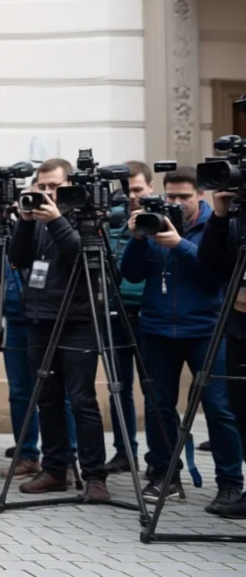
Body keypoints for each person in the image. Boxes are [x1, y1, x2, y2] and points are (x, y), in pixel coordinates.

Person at [122, 167, 243, 510]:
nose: (176, 202)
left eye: (184, 196)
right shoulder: (154, 220)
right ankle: (165, 475)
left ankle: (230, 484)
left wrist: (179, 245)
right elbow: (130, 274)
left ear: (200, 195)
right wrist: (137, 238)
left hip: (208, 329)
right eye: (171, 195)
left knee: (220, 409)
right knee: (159, 407)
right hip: (157, 329)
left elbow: (215, 276)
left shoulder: (217, 224)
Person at [9, 159, 108, 500]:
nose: (48, 193)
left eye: (55, 186)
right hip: (41, 319)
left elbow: (83, 259)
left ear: (70, 186)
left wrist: (56, 221)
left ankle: (95, 476)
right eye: (42, 186)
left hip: (78, 322)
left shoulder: (87, 217)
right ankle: (54, 470)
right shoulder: (37, 221)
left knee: (81, 400)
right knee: (47, 399)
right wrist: (25, 223)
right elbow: (19, 260)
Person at [197, 184, 246, 520]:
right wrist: (219, 215)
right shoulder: (233, 218)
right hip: (239, 326)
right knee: (241, 410)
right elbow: (210, 265)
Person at [105, 160, 152, 473]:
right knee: (117, 388)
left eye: (137, 189)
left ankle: (160, 459)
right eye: (127, 191)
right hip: (113, 311)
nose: (132, 196)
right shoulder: (112, 218)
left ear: (150, 187)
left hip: (148, 313)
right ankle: (124, 452)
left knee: (153, 390)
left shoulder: (159, 218)